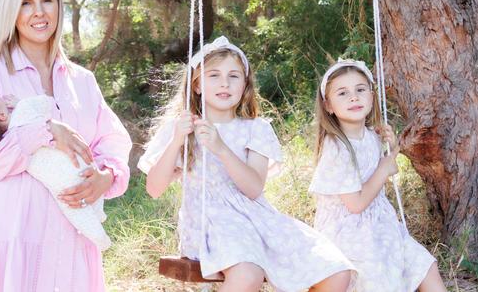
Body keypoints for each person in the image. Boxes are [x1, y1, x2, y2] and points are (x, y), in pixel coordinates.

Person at [0, 0, 132, 292]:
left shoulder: (82, 81)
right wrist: (45, 132)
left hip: (68, 236)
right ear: (11, 12)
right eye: (26, 3)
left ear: (59, 5)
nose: (38, 12)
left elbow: (112, 140)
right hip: (7, 234)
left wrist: (106, 177)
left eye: (47, 0)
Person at [138, 36, 354, 292]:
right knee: (248, 273)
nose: (225, 83)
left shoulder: (257, 130)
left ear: (245, 85)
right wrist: (175, 142)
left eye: (234, 76)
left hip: (259, 221)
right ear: (196, 86)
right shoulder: (183, 129)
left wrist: (221, 148)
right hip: (212, 224)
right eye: (214, 75)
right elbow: (154, 188)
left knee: (336, 270)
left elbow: (253, 189)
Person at [309, 59, 446, 291]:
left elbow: (386, 169)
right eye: (342, 93)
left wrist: (391, 150)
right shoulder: (337, 147)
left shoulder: (372, 136)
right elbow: (355, 204)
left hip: (381, 223)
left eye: (360, 90)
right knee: (379, 275)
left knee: (424, 265)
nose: (354, 97)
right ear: (329, 105)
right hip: (349, 231)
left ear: (372, 98)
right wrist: (383, 168)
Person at [0, 94, 110, 251]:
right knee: (80, 183)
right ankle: (98, 214)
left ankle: (98, 235)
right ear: (2, 115)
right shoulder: (22, 113)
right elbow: (43, 103)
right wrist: (21, 102)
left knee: (71, 205)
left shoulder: (8, 144)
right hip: (73, 163)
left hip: (54, 179)